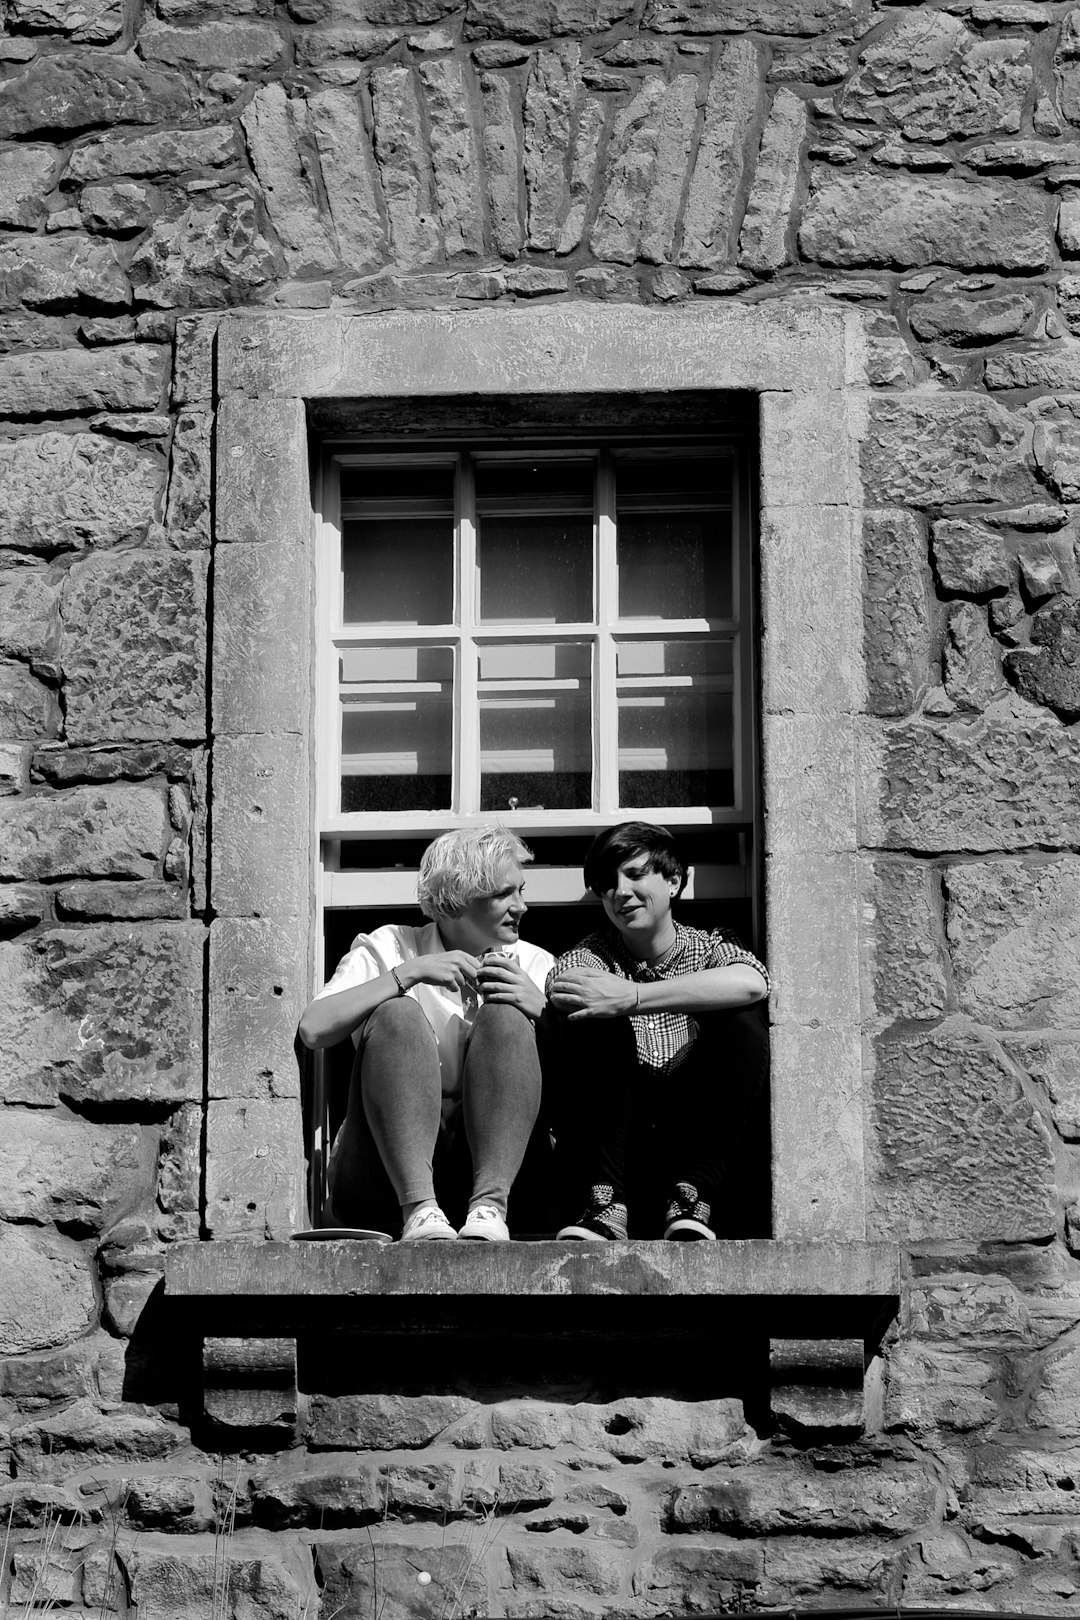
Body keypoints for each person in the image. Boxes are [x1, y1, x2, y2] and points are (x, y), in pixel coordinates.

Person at [298, 827, 553, 1243]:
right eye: (504, 895)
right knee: (397, 1014)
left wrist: (540, 1010)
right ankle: (419, 1207)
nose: (521, 906)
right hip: (381, 1186)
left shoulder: (533, 963)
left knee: (507, 1016)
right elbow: (313, 1029)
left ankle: (490, 1204)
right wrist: (408, 974)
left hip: (507, 1188)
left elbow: (584, 1082)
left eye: (520, 891)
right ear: (456, 901)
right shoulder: (392, 946)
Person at [545, 821, 770, 1243]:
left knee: (741, 1020)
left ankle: (692, 1197)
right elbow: (564, 987)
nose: (620, 892)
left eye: (634, 875)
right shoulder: (593, 952)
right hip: (613, 1144)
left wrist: (632, 996)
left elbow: (751, 981)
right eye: (606, 884)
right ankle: (604, 1203)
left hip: (696, 1142)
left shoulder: (707, 946)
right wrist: (608, 1004)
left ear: (674, 880)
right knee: (589, 1019)